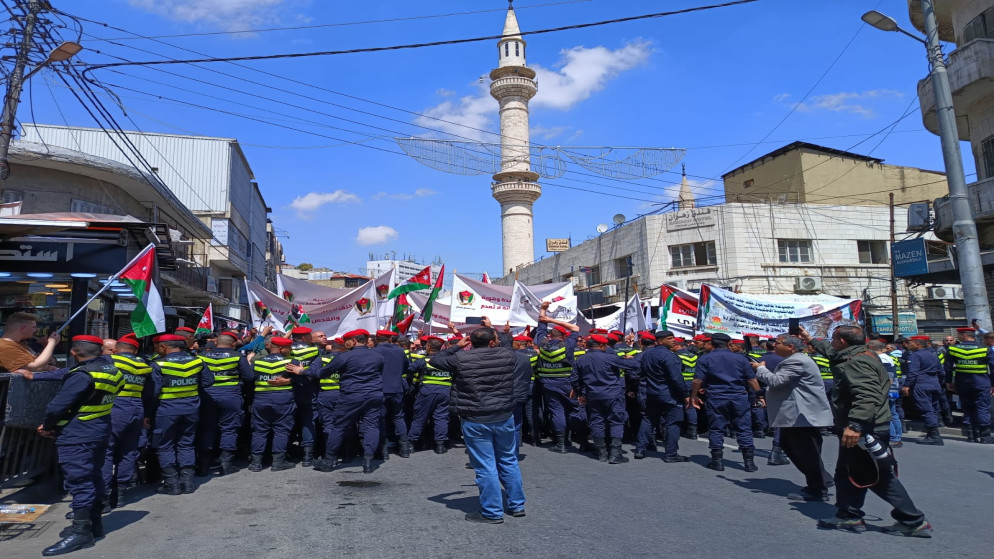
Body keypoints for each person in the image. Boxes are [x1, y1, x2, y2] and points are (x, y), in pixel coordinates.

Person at [804, 325, 933, 537]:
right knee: (847, 472)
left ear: (842, 342)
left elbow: (866, 396)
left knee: (877, 476)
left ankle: (913, 520)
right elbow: (834, 355)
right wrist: (810, 339)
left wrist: (856, 425)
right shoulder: (859, 354)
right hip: (862, 426)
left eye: (833, 339)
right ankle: (848, 515)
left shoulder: (857, 362)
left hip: (865, 428)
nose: (832, 344)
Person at [35, 335, 123, 556]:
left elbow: (58, 406)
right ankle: (95, 524)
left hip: (77, 434)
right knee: (94, 476)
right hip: (100, 429)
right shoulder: (113, 371)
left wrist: (48, 425)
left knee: (80, 481)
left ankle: (81, 533)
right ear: (100, 351)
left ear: (74, 353)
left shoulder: (81, 374)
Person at [429, 323, 525, 524]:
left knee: (485, 466)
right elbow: (505, 342)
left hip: (475, 417)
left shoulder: (460, 358)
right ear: (492, 342)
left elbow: (435, 359)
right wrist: (493, 330)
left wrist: (457, 345)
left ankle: (492, 512)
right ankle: (517, 505)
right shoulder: (508, 355)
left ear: (471, 342)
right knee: (508, 460)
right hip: (503, 414)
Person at [753, 334, 834, 501]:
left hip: (801, 415)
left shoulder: (796, 361)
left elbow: (776, 381)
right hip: (798, 415)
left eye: (778, 343)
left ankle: (818, 488)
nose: (774, 345)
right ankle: (821, 479)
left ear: (790, 347)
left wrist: (760, 369)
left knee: (805, 451)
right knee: (794, 446)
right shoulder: (795, 359)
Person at [308, 329, 385, 473]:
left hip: (351, 396)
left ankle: (328, 462)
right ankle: (368, 462)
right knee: (371, 426)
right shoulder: (378, 355)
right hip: (374, 394)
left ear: (354, 341)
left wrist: (302, 371)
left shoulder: (345, 356)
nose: (344, 344)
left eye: (346, 341)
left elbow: (322, 373)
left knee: (338, 426)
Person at [692, 332, 760, 472]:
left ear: (712, 344)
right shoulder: (740, 359)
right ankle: (749, 463)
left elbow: (697, 380)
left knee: (716, 429)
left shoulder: (705, 359)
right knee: (744, 428)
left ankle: (717, 462)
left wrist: (693, 395)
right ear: (729, 344)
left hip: (716, 397)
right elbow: (751, 379)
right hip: (738, 397)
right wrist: (759, 395)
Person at [146, 334, 204, 495]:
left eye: (157, 347)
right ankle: (188, 482)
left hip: (166, 410)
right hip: (191, 409)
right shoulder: (197, 361)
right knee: (187, 444)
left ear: (164, 347)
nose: (156, 350)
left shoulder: (158, 364)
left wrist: (148, 413)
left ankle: (172, 484)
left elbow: (153, 392)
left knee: (165, 445)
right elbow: (208, 381)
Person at [103, 333, 153, 510]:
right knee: (128, 451)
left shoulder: (110, 361)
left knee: (106, 451)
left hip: (115, 408)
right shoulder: (144, 365)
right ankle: (120, 494)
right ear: (135, 350)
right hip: (137, 409)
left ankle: (104, 496)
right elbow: (149, 392)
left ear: (115, 349)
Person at [198, 331, 255, 475]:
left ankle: (203, 466)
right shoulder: (238, 356)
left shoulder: (201, 356)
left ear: (216, 342)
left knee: (207, 429)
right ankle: (226, 465)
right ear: (234, 344)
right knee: (229, 429)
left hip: (208, 396)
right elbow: (249, 377)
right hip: (231, 396)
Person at [571, 333, 630, 463]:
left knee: (596, 422)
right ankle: (615, 454)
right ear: (602, 345)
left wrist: (580, 393)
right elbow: (633, 365)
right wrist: (628, 358)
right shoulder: (610, 357)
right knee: (616, 421)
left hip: (593, 395)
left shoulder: (581, 359)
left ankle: (601, 453)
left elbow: (574, 380)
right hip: (612, 394)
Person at [632, 330, 689, 463]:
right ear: (659, 341)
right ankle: (671, 454)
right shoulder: (669, 356)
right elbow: (676, 378)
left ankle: (640, 449)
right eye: (669, 339)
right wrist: (685, 395)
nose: (673, 341)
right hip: (670, 394)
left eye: (673, 338)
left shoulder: (647, 354)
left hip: (652, 392)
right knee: (673, 423)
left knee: (648, 420)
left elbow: (641, 372)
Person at [534, 302, 581, 454]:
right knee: (574, 410)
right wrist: (551, 320)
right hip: (567, 383)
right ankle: (581, 440)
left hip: (548, 383)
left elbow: (541, 328)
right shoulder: (568, 345)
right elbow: (575, 328)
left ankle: (560, 444)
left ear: (550, 336)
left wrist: (542, 310)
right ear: (563, 336)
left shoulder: (542, 343)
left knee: (556, 411)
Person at [248, 336, 298, 472]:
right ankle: (278, 462)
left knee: (259, 431)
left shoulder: (257, 362)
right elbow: (302, 380)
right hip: (283, 400)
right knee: (282, 430)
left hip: (260, 399)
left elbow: (249, 381)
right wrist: (290, 381)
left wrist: (250, 401)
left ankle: (256, 463)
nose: (291, 349)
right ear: (281, 348)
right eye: (288, 347)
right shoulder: (291, 362)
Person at [946, 327, 993, 443]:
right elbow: (993, 368)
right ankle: (985, 436)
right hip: (981, 383)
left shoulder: (953, 349)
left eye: (959, 334)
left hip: (962, 383)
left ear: (964, 335)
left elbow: (948, 368)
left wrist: (949, 382)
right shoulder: (984, 349)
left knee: (967, 407)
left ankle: (971, 435)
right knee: (982, 407)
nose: (958, 337)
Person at [406, 336, 451, 454]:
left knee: (420, 417)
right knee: (441, 418)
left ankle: (411, 443)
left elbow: (410, 369)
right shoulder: (447, 361)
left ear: (429, 347)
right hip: (445, 392)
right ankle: (440, 445)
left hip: (428, 392)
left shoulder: (425, 360)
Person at [372, 329, 411, 458]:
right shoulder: (399, 351)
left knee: (380, 418)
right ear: (389, 339)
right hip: (397, 388)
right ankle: (404, 448)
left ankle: (383, 450)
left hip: (380, 389)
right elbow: (406, 367)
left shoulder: (374, 351)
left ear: (377, 339)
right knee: (398, 417)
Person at [902, 336, 945, 446]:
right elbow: (941, 372)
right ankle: (931, 434)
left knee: (926, 410)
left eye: (911, 343)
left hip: (921, 384)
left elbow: (913, 373)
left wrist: (906, 386)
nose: (908, 345)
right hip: (934, 384)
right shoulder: (933, 354)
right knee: (933, 409)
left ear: (917, 345)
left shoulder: (915, 355)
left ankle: (934, 436)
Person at [289, 327, 320, 466]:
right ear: (303, 338)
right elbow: (318, 370)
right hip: (309, 389)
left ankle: (287, 451)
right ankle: (308, 456)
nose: (311, 338)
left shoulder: (286, 350)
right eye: (309, 335)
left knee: (286, 422)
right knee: (308, 421)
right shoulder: (315, 350)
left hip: (288, 389)